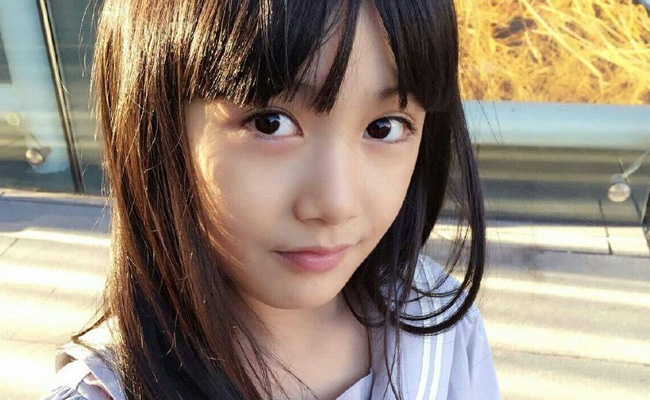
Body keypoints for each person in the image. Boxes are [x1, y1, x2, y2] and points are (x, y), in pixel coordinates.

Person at [40, 0, 499, 399]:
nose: (335, 204)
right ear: (154, 129)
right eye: (270, 123)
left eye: (384, 128)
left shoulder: (440, 323)